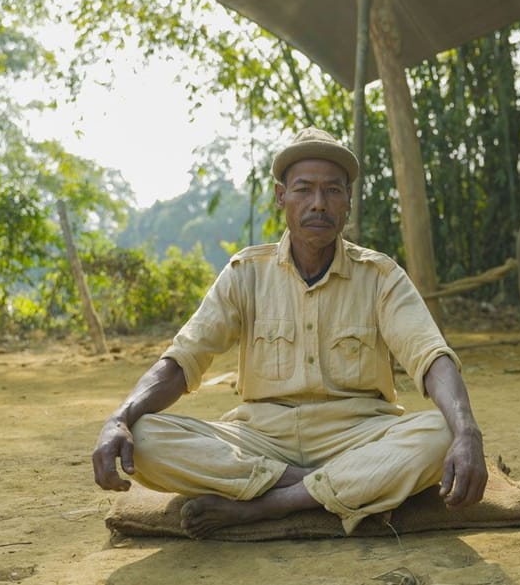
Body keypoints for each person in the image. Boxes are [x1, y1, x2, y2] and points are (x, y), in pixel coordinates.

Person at [92, 127, 487, 538]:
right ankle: (321, 485)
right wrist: (119, 417)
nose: (319, 204)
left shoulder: (380, 276)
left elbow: (431, 356)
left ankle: (274, 503)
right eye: (304, 190)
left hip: (358, 435)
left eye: (333, 191)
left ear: (348, 201)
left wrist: (467, 431)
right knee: (143, 436)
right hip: (260, 439)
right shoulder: (246, 274)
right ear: (282, 197)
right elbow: (182, 360)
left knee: (441, 433)